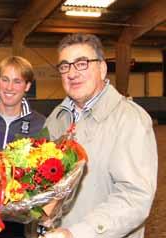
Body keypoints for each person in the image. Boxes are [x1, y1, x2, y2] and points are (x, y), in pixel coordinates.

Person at [42, 33, 157, 238]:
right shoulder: (55, 120)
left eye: (82, 63)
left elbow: (135, 198)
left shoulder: (130, 119)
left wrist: (75, 233)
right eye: (64, 66)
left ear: (102, 68)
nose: (72, 73)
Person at [0, 56, 46, 238]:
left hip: (20, 218)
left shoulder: (39, 124)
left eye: (17, 81)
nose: (9, 87)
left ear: (27, 86)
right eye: (4, 79)